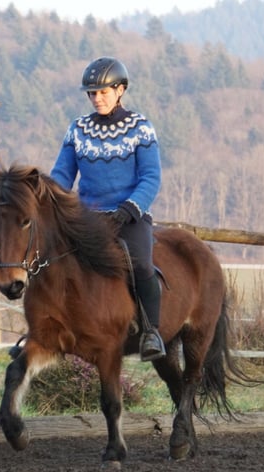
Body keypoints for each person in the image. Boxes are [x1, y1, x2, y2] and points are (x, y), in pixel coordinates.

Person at [50, 56, 165, 362]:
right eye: (92, 93)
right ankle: (44, 327)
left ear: (120, 90)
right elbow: (62, 174)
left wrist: (130, 208)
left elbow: (151, 177)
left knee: (141, 265)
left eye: (103, 92)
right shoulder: (77, 129)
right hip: (87, 217)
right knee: (55, 260)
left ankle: (151, 331)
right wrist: (50, 199)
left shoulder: (140, 128)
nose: (96, 98)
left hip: (129, 215)